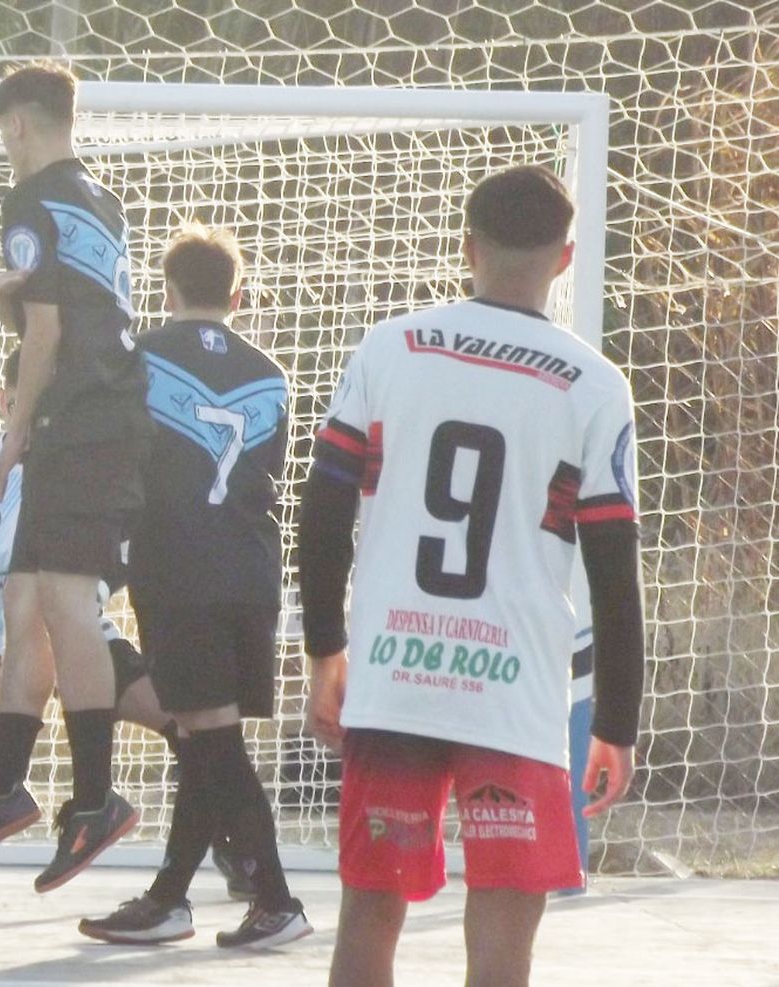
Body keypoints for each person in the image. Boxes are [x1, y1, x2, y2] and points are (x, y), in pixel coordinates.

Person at [298, 165, 645, 987]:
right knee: (501, 938)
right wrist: (618, 722)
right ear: (565, 260)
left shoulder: (391, 345)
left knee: (370, 917)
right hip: (516, 691)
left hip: (397, 671)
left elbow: (319, 516)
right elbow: (614, 572)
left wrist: (325, 650)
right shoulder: (594, 383)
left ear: (467, 248)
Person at [0, 347, 258, 901]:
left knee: (188, 729)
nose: (29, 413)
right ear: (4, 399)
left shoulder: (96, 478)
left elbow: (120, 563)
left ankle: (234, 847)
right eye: (18, 400)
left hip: (83, 639)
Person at [0, 61, 154, 895]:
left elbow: (51, 333)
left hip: (84, 422)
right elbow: (76, 310)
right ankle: (2, 789)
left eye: (2, 135)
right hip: (100, 417)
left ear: (17, 124)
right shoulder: (100, 197)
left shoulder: (28, 200)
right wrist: (8, 307)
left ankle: (95, 797)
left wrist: (15, 434)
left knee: (63, 603)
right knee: (22, 600)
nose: (6, 149)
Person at [79, 228, 310, 948]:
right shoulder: (272, 374)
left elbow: (113, 458)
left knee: (211, 737)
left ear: (167, 289)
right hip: (251, 570)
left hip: (179, 566)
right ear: (237, 295)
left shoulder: (138, 358)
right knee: (205, 733)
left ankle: (276, 898)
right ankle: (171, 896)